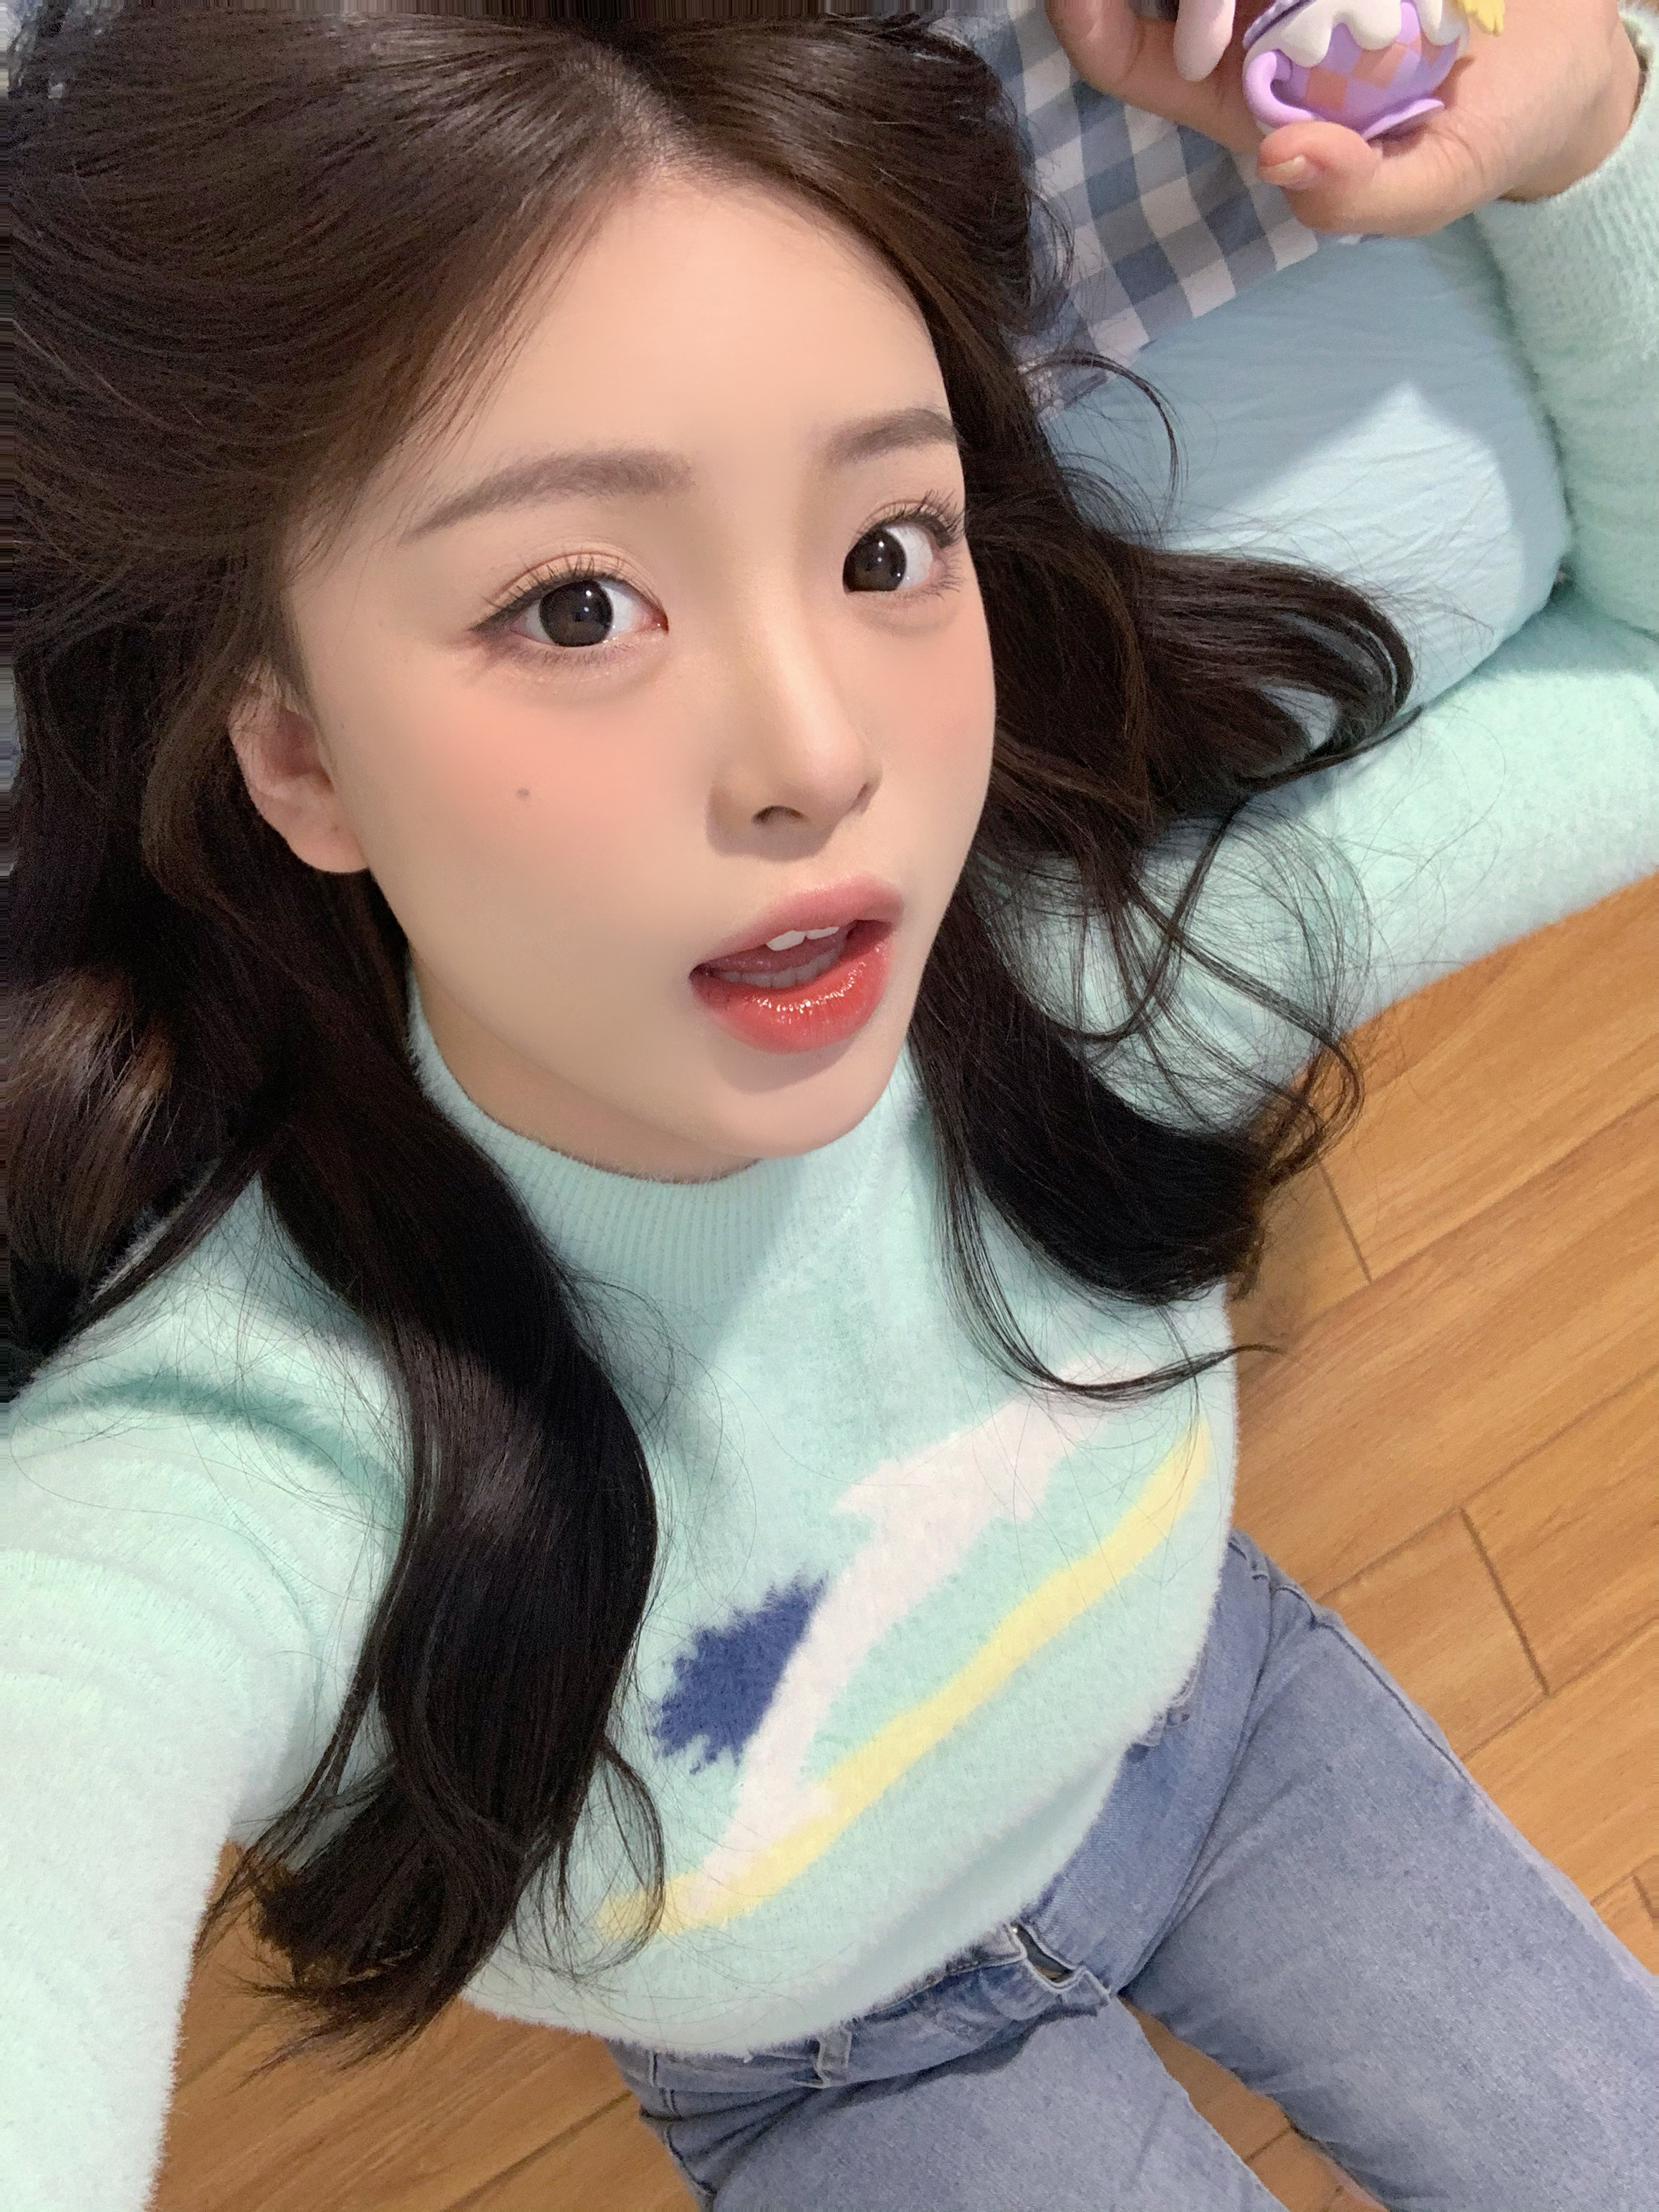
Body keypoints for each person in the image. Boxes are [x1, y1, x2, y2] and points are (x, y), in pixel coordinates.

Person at [6, 6, 1655, 2212]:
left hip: (1222, 1723)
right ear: (292, 752)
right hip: (824, 2072)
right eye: (576, 603)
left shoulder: (1090, 990)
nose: (817, 752)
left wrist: (1583, 122)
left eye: (885, 547)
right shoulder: (252, 1444)